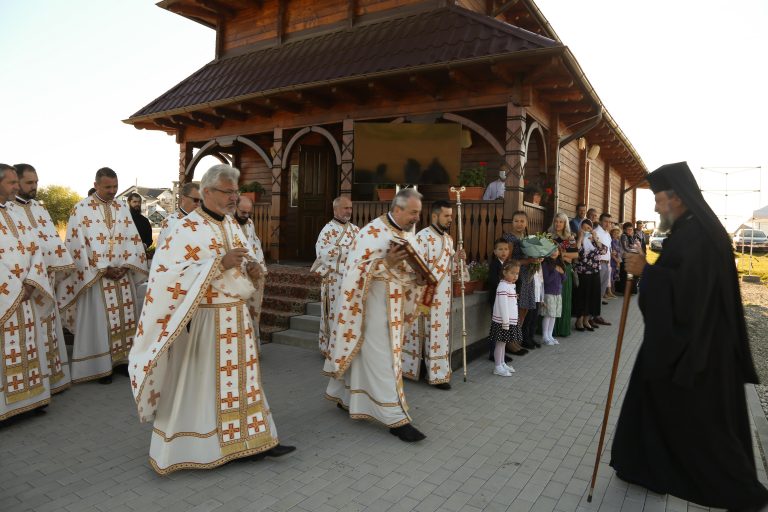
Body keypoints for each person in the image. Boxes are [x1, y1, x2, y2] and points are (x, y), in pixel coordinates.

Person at [610, 162, 768, 511]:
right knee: (651, 397)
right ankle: (643, 467)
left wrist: (646, 272)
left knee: (703, 422)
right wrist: (650, 271)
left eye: (658, 199)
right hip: (688, 339)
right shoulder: (691, 229)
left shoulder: (700, 236)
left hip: (700, 347)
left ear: (677, 198)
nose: (655, 208)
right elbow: (679, 278)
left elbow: (689, 293)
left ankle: (738, 489)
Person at [128, 164, 293, 474]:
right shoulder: (184, 228)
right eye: (228, 192)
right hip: (205, 322)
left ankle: (256, 441)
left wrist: (252, 270)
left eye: (236, 192)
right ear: (206, 192)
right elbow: (166, 276)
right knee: (202, 385)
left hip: (236, 318)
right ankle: (199, 447)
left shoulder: (232, 225)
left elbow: (241, 265)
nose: (234, 197)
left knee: (245, 382)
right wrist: (218, 263)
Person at [324, 188, 432, 442]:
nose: (417, 218)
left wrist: (419, 278)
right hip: (372, 309)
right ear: (397, 209)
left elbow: (410, 272)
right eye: (413, 212)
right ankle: (394, 418)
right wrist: (386, 263)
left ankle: (346, 396)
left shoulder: (408, 233)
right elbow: (353, 272)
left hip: (395, 309)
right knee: (384, 361)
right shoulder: (371, 232)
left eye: (418, 213)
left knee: (367, 358)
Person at [57, 167, 148, 384]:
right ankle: (101, 367)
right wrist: (103, 268)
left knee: (126, 319)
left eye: (115, 186)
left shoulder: (121, 207)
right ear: (96, 185)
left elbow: (132, 238)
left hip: (122, 276)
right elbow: (77, 245)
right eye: (108, 187)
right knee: (100, 323)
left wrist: (126, 265)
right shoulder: (81, 209)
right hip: (96, 277)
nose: (112, 191)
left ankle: (123, 362)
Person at [14, 163, 75, 394]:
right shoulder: (9, 210)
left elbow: (52, 242)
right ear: (16, 182)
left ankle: (51, 380)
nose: (34, 186)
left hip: (46, 281)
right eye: (29, 182)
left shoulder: (40, 209)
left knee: (48, 331)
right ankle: (34, 387)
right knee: (30, 336)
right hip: (24, 286)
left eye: (36, 182)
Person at [0, 164, 54, 421]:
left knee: (30, 344)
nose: (16, 187)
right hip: (6, 296)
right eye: (11, 183)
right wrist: (15, 288)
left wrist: (32, 282)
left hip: (27, 293)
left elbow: (35, 248)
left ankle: (32, 399)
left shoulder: (16, 212)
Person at [402, 200, 464, 390]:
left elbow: (451, 270)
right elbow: (412, 266)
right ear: (435, 216)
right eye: (447, 216)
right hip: (425, 297)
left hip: (443, 299)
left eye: (451, 216)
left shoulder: (449, 240)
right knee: (421, 333)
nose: (450, 219)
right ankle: (413, 368)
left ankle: (438, 374)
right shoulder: (422, 238)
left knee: (438, 335)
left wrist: (457, 260)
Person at [310, 196, 359, 359]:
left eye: (350, 208)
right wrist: (349, 250)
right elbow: (323, 253)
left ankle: (348, 347)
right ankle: (331, 348)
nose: (349, 211)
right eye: (345, 208)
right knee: (334, 313)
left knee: (349, 314)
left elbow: (361, 251)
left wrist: (347, 251)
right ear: (335, 209)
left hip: (351, 279)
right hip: (334, 280)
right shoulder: (328, 230)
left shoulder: (356, 230)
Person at [503, 211, 543, 349]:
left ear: (526, 223)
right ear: (512, 222)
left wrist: (538, 258)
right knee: (515, 309)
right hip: (516, 276)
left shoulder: (528, 238)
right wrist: (529, 261)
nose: (519, 224)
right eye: (516, 221)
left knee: (524, 309)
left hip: (528, 276)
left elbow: (532, 256)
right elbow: (508, 261)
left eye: (522, 221)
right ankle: (510, 341)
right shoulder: (509, 238)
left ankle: (517, 338)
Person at [233, 195, 268, 335]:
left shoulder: (249, 223)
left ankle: (252, 343)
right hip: (235, 276)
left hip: (251, 274)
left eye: (249, 213)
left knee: (251, 314)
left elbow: (255, 245)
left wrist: (259, 267)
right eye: (243, 212)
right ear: (235, 207)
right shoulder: (227, 224)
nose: (246, 216)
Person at [486, 238, 526, 360]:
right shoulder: (494, 265)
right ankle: (493, 353)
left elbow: (519, 280)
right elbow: (493, 281)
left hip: (509, 299)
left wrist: (516, 292)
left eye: (506, 249)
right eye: (500, 249)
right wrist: (506, 289)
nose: (503, 252)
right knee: (498, 327)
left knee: (504, 331)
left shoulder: (510, 264)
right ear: (495, 251)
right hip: (497, 300)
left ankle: (502, 353)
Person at [572, 219, 606, 332]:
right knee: (583, 297)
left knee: (592, 297)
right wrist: (580, 238)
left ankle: (586, 320)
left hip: (595, 272)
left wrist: (595, 238)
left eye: (588, 228)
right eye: (584, 228)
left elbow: (603, 250)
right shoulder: (576, 239)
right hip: (583, 273)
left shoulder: (594, 240)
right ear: (580, 229)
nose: (586, 230)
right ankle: (579, 321)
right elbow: (576, 252)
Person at [489, 261, 522, 377]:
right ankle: (497, 366)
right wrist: (505, 321)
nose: (515, 276)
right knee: (500, 343)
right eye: (512, 273)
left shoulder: (509, 285)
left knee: (503, 343)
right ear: (504, 272)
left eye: (517, 273)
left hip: (508, 320)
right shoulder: (503, 286)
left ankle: (502, 363)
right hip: (503, 321)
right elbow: (503, 305)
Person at [549, 213, 578, 337]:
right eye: (556, 221)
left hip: (564, 270)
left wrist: (561, 254)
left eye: (561, 222)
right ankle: (548, 331)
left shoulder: (570, 237)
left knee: (563, 298)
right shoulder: (548, 236)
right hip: (551, 269)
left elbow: (575, 255)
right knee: (550, 299)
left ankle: (561, 329)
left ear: (565, 223)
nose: (558, 224)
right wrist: (565, 255)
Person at [156, 182, 201, 247]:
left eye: (201, 201)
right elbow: (163, 249)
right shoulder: (170, 222)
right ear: (183, 198)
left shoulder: (202, 221)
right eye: (196, 200)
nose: (199, 204)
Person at [540, 248, 565, 345]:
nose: (554, 252)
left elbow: (564, 278)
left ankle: (550, 335)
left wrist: (561, 272)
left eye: (556, 250)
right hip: (549, 293)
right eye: (552, 250)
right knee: (548, 315)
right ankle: (545, 336)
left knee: (554, 315)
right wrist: (555, 271)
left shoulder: (559, 263)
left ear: (559, 252)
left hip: (558, 293)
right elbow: (546, 280)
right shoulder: (545, 264)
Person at [609, 227, 622, 298]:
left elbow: (619, 252)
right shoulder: (611, 241)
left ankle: (613, 291)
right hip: (612, 260)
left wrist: (618, 261)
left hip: (617, 260)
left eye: (617, 233)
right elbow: (611, 252)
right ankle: (610, 291)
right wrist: (616, 260)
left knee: (615, 276)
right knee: (611, 276)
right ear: (612, 233)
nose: (616, 234)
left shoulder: (618, 241)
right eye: (614, 233)